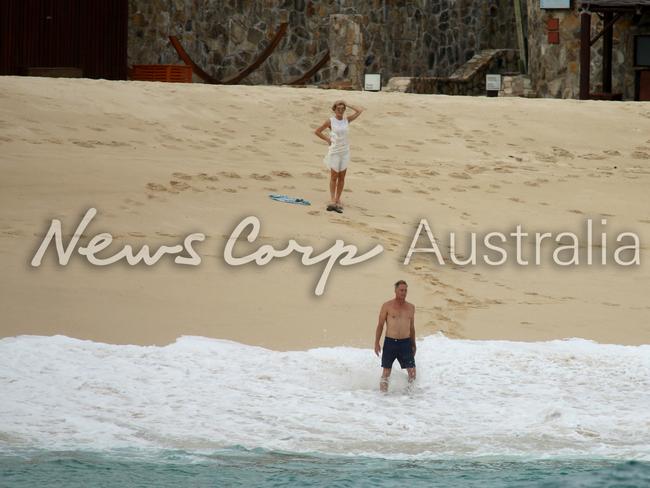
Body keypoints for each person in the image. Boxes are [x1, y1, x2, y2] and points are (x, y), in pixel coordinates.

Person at [314, 100, 363, 213]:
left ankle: (338, 199)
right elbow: (317, 131)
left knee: (342, 177)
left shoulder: (347, 120)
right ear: (334, 109)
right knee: (334, 176)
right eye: (338, 109)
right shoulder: (330, 121)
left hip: (345, 151)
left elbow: (360, 110)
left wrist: (346, 103)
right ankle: (332, 199)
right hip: (335, 151)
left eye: (342, 109)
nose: (340, 111)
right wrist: (327, 139)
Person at [374, 280, 416, 392]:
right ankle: (383, 396)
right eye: (401, 290)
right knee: (386, 372)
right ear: (395, 291)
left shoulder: (411, 307)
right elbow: (380, 325)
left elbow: (411, 328)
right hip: (390, 342)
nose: (404, 292)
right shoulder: (387, 306)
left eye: (405, 290)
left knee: (412, 372)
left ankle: (410, 396)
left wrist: (413, 344)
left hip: (405, 343)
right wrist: (376, 342)